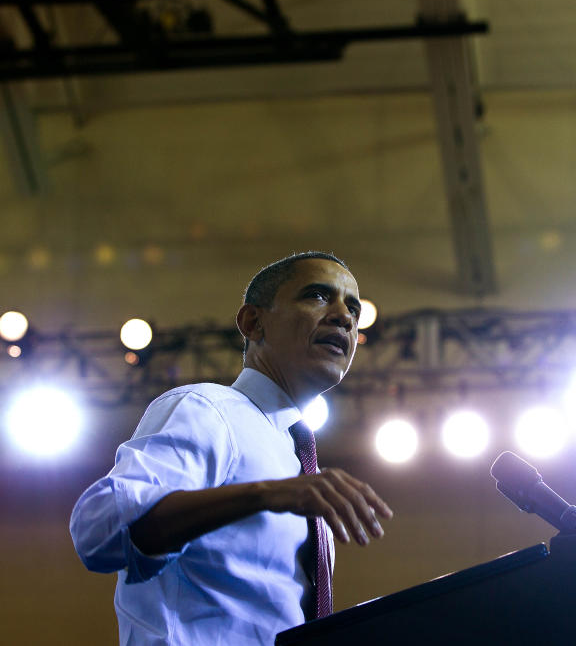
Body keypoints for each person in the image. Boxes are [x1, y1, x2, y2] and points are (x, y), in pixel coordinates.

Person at [70, 252, 393, 646]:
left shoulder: (298, 461)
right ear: (253, 323)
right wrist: (268, 493)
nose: (344, 316)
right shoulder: (206, 409)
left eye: (353, 308)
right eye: (318, 296)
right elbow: (99, 530)